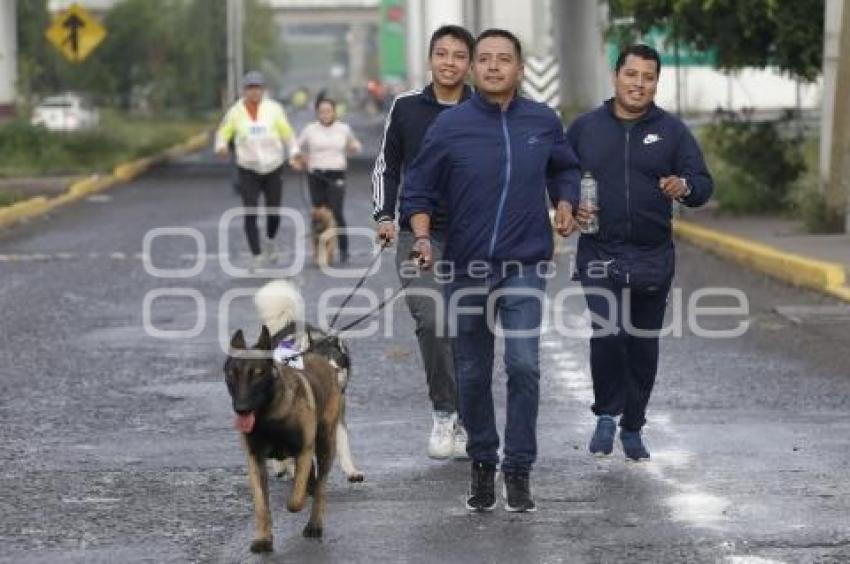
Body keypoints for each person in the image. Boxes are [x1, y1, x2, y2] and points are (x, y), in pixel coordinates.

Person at [401, 29, 580, 513]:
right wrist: (420, 236)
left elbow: (565, 168)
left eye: (505, 59)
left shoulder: (542, 121)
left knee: (523, 364)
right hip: (466, 266)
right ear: (475, 70)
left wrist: (565, 200)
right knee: (473, 372)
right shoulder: (451, 126)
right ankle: (483, 459)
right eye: (486, 60)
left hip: (524, 262)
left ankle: (518, 468)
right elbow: (417, 188)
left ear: (520, 69)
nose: (495, 66)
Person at [565, 44, 713, 461]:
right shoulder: (585, 128)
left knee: (643, 344)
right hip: (599, 249)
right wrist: (568, 202)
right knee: (608, 334)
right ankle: (606, 415)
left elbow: (702, 183)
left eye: (648, 77)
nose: (639, 84)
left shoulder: (672, 131)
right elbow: (559, 174)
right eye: (632, 75)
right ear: (616, 76)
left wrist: (684, 187)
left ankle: (633, 424)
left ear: (655, 83)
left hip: (652, 255)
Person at [372, 24, 475, 460]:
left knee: (470, 326)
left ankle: (472, 418)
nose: (449, 62)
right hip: (420, 233)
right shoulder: (407, 107)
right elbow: (386, 166)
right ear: (430, 59)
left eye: (458, 55)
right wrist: (384, 215)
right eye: (442, 54)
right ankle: (444, 413)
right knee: (433, 320)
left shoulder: (486, 107)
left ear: (469, 63)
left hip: (475, 235)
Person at [215, 71, 300, 271]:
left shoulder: (274, 109)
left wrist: (294, 153)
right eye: (250, 88)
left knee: (274, 212)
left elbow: (287, 134)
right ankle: (256, 255)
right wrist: (221, 146)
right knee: (250, 212)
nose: (254, 92)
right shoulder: (235, 112)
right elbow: (223, 132)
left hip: (273, 166)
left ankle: (270, 241)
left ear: (263, 90)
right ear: (244, 91)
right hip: (248, 168)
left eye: (257, 88)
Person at [297, 97, 362, 264]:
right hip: (316, 174)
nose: (325, 114)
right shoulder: (310, 130)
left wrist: (354, 147)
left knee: (336, 211)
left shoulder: (343, 129)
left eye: (328, 111)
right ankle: (319, 250)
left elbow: (355, 145)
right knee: (318, 214)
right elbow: (296, 147)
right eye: (321, 111)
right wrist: (299, 158)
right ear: (317, 113)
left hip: (336, 175)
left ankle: (344, 249)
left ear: (334, 112)